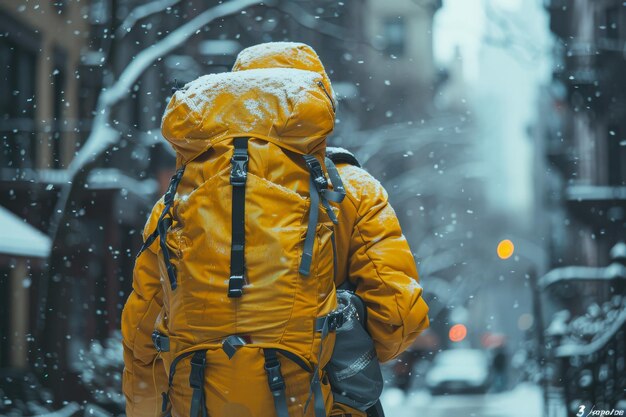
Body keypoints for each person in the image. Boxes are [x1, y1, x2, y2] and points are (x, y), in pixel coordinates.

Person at [121, 42, 429, 417]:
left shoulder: (178, 199)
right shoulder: (354, 190)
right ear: (321, 104)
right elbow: (399, 319)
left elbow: (141, 337)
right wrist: (337, 328)